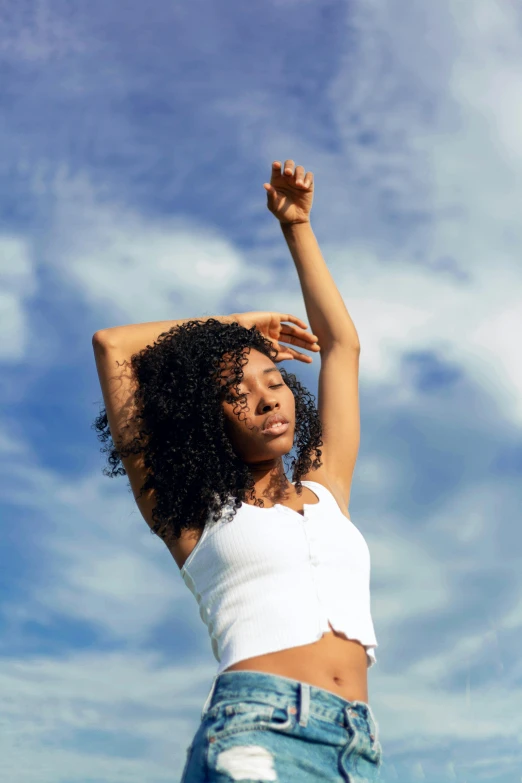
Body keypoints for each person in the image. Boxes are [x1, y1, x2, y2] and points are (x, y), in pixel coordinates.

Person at [91, 160, 382, 781]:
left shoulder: (326, 489)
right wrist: (238, 329)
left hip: (356, 744)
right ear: (205, 418)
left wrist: (297, 227)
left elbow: (343, 347)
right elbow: (113, 346)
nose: (267, 396)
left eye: (274, 379)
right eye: (236, 392)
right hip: (255, 733)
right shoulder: (188, 514)